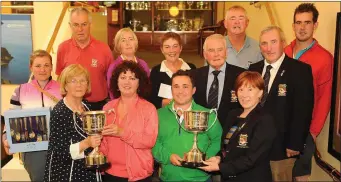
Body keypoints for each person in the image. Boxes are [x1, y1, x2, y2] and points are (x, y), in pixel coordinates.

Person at [249, 26, 314, 181]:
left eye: (273, 42)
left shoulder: (300, 70)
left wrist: (295, 143)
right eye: (264, 43)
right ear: (260, 47)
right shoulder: (253, 69)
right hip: (254, 148)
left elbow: (303, 110)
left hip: (282, 148)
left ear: (283, 43)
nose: (268, 48)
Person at [284, 3, 334, 181]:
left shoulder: (324, 58)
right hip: (281, 126)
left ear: (315, 25)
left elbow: (325, 97)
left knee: (300, 175)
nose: (302, 27)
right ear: (293, 26)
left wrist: (313, 132)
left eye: (307, 22)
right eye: (298, 22)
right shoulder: (284, 52)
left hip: (305, 129)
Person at [199, 71, 277, 182]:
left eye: (250, 89)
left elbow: (252, 159)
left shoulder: (265, 119)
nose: (244, 95)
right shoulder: (233, 114)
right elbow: (227, 147)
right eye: (240, 89)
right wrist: (218, 157)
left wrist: (221, 167)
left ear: (260, 92)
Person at [2, 50, 62, 182]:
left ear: (52, 67)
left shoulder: (62, 89)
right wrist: (6, 137)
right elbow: (13, 117)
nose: (42, 69)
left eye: (46, 65)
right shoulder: (20, 90)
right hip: (33, 149)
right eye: (38, 66)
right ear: (31, 67)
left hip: (59, 145)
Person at [152, 70, 222, 182]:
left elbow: (217, 140)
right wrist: (168, 157)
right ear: (171, 90)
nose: (180, 91)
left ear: (193, 90)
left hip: (200, 179)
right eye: (176, 86)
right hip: (168, 178)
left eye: (185, 86)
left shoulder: (207, 114)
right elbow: (153, 142)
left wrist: (204, 158)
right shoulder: (158, 114)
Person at [100, 61, 158, 182]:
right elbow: (103, 141)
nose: (127, 82)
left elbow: (149, 141)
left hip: (139, 174)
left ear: (139, 83)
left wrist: (122, 133)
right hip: (110, 172)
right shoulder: (107, 108)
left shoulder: (149, 108)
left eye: (132, 78)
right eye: (123, 77)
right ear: (116, 82)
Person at [44, 64, 101, 181]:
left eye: (82, 80)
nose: (79, 85)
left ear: (87, 84)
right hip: (65, 173)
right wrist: (87, 143)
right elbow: (60, 152)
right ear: (65, 85)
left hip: (87, 172)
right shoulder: (60, 111)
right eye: (73, 81)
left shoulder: (87, 107)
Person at [55, 7, 114, 110]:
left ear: (91, 25)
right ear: (70, 26)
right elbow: (60, 79)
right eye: (76, 25)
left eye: (84, 24)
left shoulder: (104, 49)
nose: (80, 29)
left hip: (99, 107)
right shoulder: (62, 48)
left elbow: (112, 80)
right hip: (71, 107)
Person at [193, 34, 245, 126]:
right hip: (201, 132)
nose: (216, 54)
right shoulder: (194, 76)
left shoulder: (241, 75)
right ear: (205, 54)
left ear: (226, 53)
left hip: (231, 131)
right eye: (211, 50)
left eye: (220, 50)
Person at [150, 32, 196, 109]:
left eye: (175, 46)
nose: (171, 50)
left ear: (180, 48)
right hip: (165, 115)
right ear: (162, 50)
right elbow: (152, 100)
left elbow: (196, 95)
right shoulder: (156, 72)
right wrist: (177, 101)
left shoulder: (191, 68)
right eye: (167, 47)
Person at [107, 27, 150, 100]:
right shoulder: (114, 67)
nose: (128, 43)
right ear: (118, 45)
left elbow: (147, 89)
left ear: (135, 43)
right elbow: (112, 92)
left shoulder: (143, 65)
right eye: (123, 40)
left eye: (131, 39)